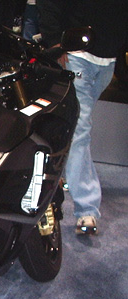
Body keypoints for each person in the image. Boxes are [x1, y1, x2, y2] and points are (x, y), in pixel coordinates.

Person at [38, 0, 128, 235]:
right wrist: (55, 42)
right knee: (80, 129)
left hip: (108, 59)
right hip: (76, 56)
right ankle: (87, 208)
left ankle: (56, 172)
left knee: (72, 125)